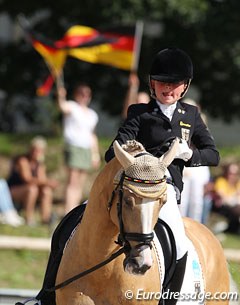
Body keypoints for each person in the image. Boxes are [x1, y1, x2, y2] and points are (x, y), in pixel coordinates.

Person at [105, 47, 220, 304]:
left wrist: (188, 154)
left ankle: (168, 298)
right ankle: (48, 292)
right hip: (133, 188)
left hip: (165, 191)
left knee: (179, 244)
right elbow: (113, 151)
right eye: (162, 83)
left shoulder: (190, 115)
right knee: (76, 221)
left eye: (175, 84)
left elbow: (213, 155)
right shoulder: (139, 113)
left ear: (185, 86)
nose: (168, 89)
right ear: (152, 84)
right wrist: (131, 153)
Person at [57, 81, 100, 215]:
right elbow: (62, 107)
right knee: (72, 180)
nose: (84, 97)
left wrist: (95, 153)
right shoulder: (72, 106)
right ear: (76, 95)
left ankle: (74, 210)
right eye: (81, 94)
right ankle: (68, 211)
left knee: (80, 182)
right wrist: (60, 96)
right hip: (74, 146)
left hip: (86, 148)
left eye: (87, 94)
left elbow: (92, 135)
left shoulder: (92, 114)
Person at [7, 136, 57, 225]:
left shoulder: (39, 164)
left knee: (46, 190)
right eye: (35, 150)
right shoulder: (23, 160)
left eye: (39, 150)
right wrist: (47, 182)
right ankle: (29, 218)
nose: (36, 152)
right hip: (13, 190)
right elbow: (27, 179)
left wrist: (40, 167)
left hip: (30, 189)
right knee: (32, 189)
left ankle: (46, 218)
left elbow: (42, 180)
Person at [179, 98, 211, 223]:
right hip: (183, 162)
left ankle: (196, 226)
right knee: (182, 199)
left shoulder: (200, 121)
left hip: (197, 163)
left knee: (196, 201)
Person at [212, 162, 240, 234]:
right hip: (223, 207)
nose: (232, 175)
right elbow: (222, 196)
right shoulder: (221, 181)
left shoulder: (237, 183)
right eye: (230, 173)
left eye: (234, 173)